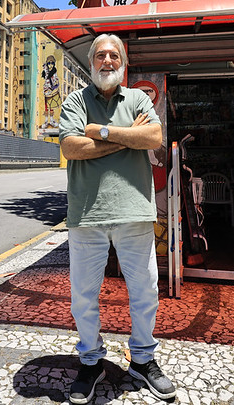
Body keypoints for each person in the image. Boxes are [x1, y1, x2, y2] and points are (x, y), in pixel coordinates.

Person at [59, 33, 175, 403]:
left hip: (133, 212)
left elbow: (154, 137)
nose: (107, 60)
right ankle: (91, 362)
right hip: (86, 213)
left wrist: (101, 131)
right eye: (100, 55)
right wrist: (128, 137)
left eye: (114, 55)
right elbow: (71, 146)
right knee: (83, 297)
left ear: (123, 63)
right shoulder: (76, 100)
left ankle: (142, 360)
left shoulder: (138, 98)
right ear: (91, 62)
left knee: (144, 293)